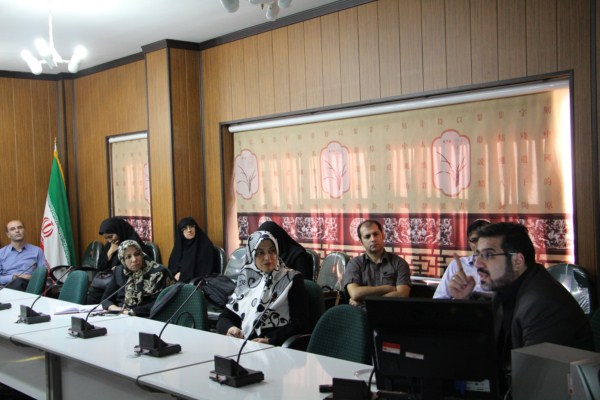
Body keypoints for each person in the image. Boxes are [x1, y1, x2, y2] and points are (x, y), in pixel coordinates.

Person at [448, 222, 593, 392]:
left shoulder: (542, 303)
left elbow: (534, 384)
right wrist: (463, 300)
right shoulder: (506, 289)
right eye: (478, 254)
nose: (478, 263)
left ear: (517, 260)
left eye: (488, 255)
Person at [216, 230, 308, 346]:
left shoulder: (291, 279)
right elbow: (225, 317)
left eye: (272, 251)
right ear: (251, 255)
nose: (267, 257)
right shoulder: (246, 280)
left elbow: (300, 324)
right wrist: (231, 328)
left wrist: (270, 340)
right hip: (245, 346)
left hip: (276, 348)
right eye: (260, 253)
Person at [342, 219, 411, 307]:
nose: (373, 239)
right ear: (361, 242)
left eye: (376, 234)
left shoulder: (399, 263)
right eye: (367, 236)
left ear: (382, 235)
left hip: (391, 311)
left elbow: (402, 294)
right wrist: (388, 288)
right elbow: (355, 293)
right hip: (361, 314)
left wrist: (366, 302)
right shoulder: (354, 264)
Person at [88, 217, 152, 303]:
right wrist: (110, 252)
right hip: (109, 279)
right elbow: (100, 267)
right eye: (106, 238)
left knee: (103, 295)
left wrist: (120, 269)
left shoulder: (132, 243)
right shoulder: (111, 244)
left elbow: (140, 263)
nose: (109, 240)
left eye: (110, 236)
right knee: (94, 293)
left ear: (119, 231)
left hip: (126, 279)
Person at [101, 240, 171, 317]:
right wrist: (114, 308)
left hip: (150, 317)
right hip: (122, 316)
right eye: (128, 257)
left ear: (142, 254)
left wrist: (131, 312)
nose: (134, 259)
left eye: (137, 254)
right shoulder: (119, 272)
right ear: (122, 260)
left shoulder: (159, 273)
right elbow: (105, 299)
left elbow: (160, 303)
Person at [434, 219, 492, 299]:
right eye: (474, 240)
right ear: (469, 243)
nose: (479, 244)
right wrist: (459, 299)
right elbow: (439, 299)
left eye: (484, 239)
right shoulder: (457, 265)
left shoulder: (501, 265)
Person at [168, 217, 219, 282]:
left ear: (195, 228)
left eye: (191, 226)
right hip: (178, 282)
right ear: (181, 232)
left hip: (198, 283)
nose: (189, 230)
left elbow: (205, 270)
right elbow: (172, 268)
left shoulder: (205, 245)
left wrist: (183, 274)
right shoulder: (179, 247)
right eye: (185, 228)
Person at [0, 220, 46, 289]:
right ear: (8, 235)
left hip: (28, 287)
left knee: (19, 282)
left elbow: (42, 274)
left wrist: (31, 277)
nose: (17, 231)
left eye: (20, 227)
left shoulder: (37, 251)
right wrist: (12, 277)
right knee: (18, 281)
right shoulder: (1, 253)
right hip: (6, 287)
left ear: (24, 230)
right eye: (12, 229)